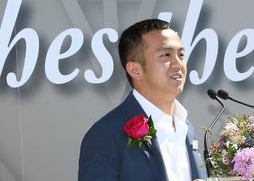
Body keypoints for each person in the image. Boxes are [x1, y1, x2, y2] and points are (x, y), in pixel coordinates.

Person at [79, 19, 207, 181]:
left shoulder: (187, 128)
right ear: (135, 70)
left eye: (181, 54)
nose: (178, 64)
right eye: (166, 55)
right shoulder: (106, 134)